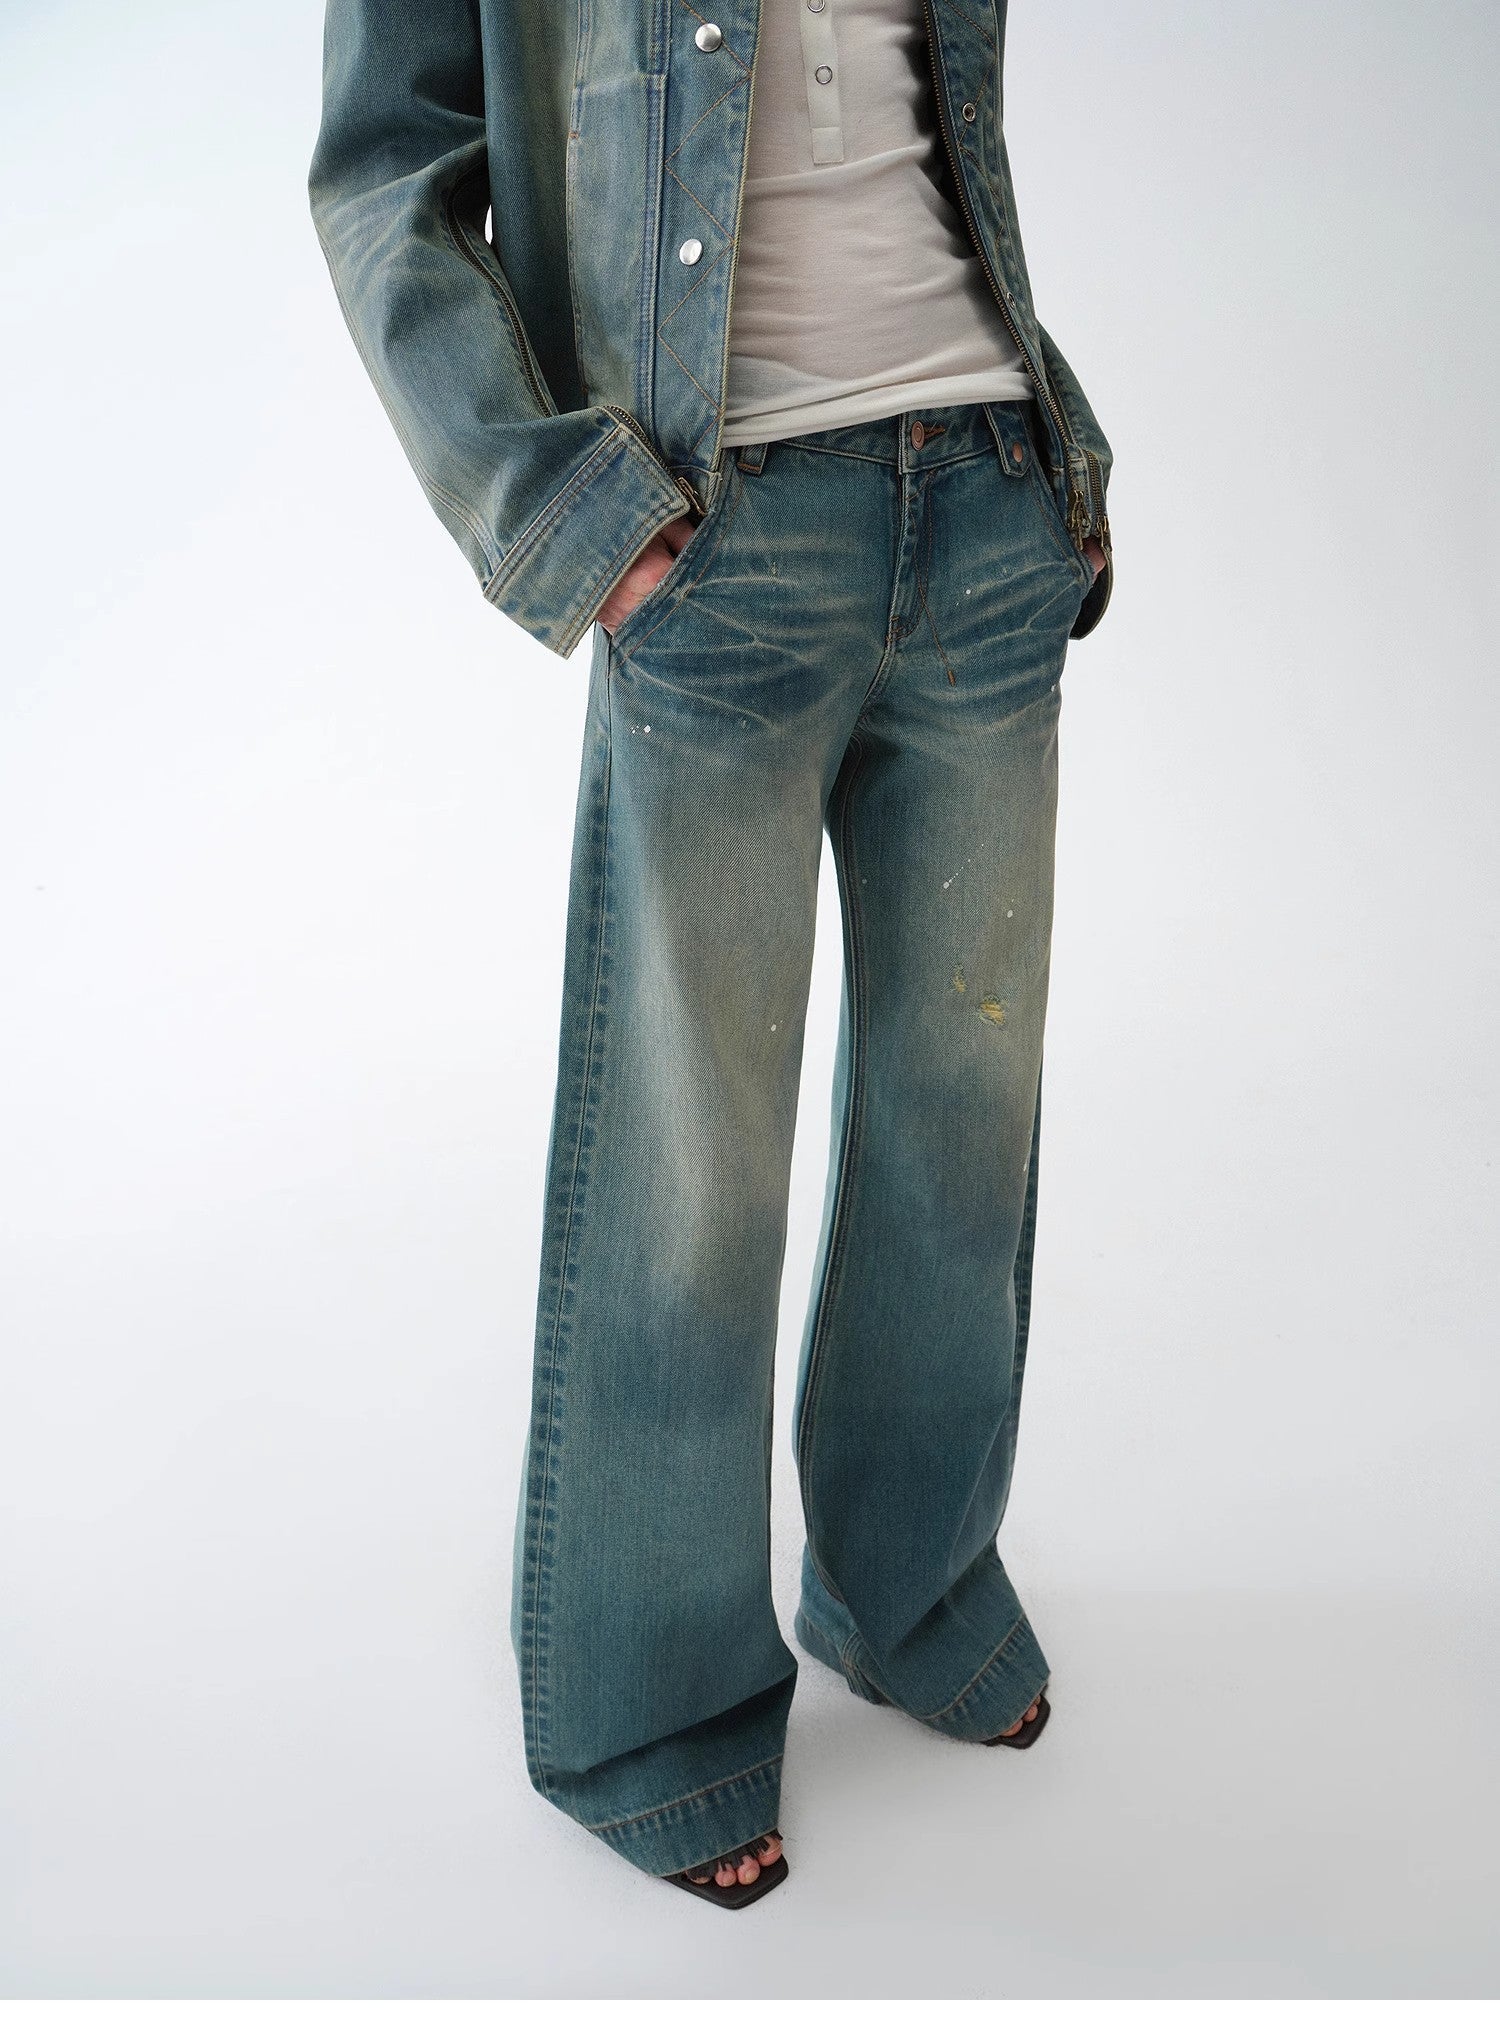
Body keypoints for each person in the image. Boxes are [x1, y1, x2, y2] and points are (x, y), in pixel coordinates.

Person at [309, 0, 1113, 1910]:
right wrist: (567, 514)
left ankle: (913, 1591)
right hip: (723, 526)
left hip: (985, 485)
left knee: (961, 1121)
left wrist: (1052, 462)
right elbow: (385, 177)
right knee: (688, 1169)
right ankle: (651, 1713)